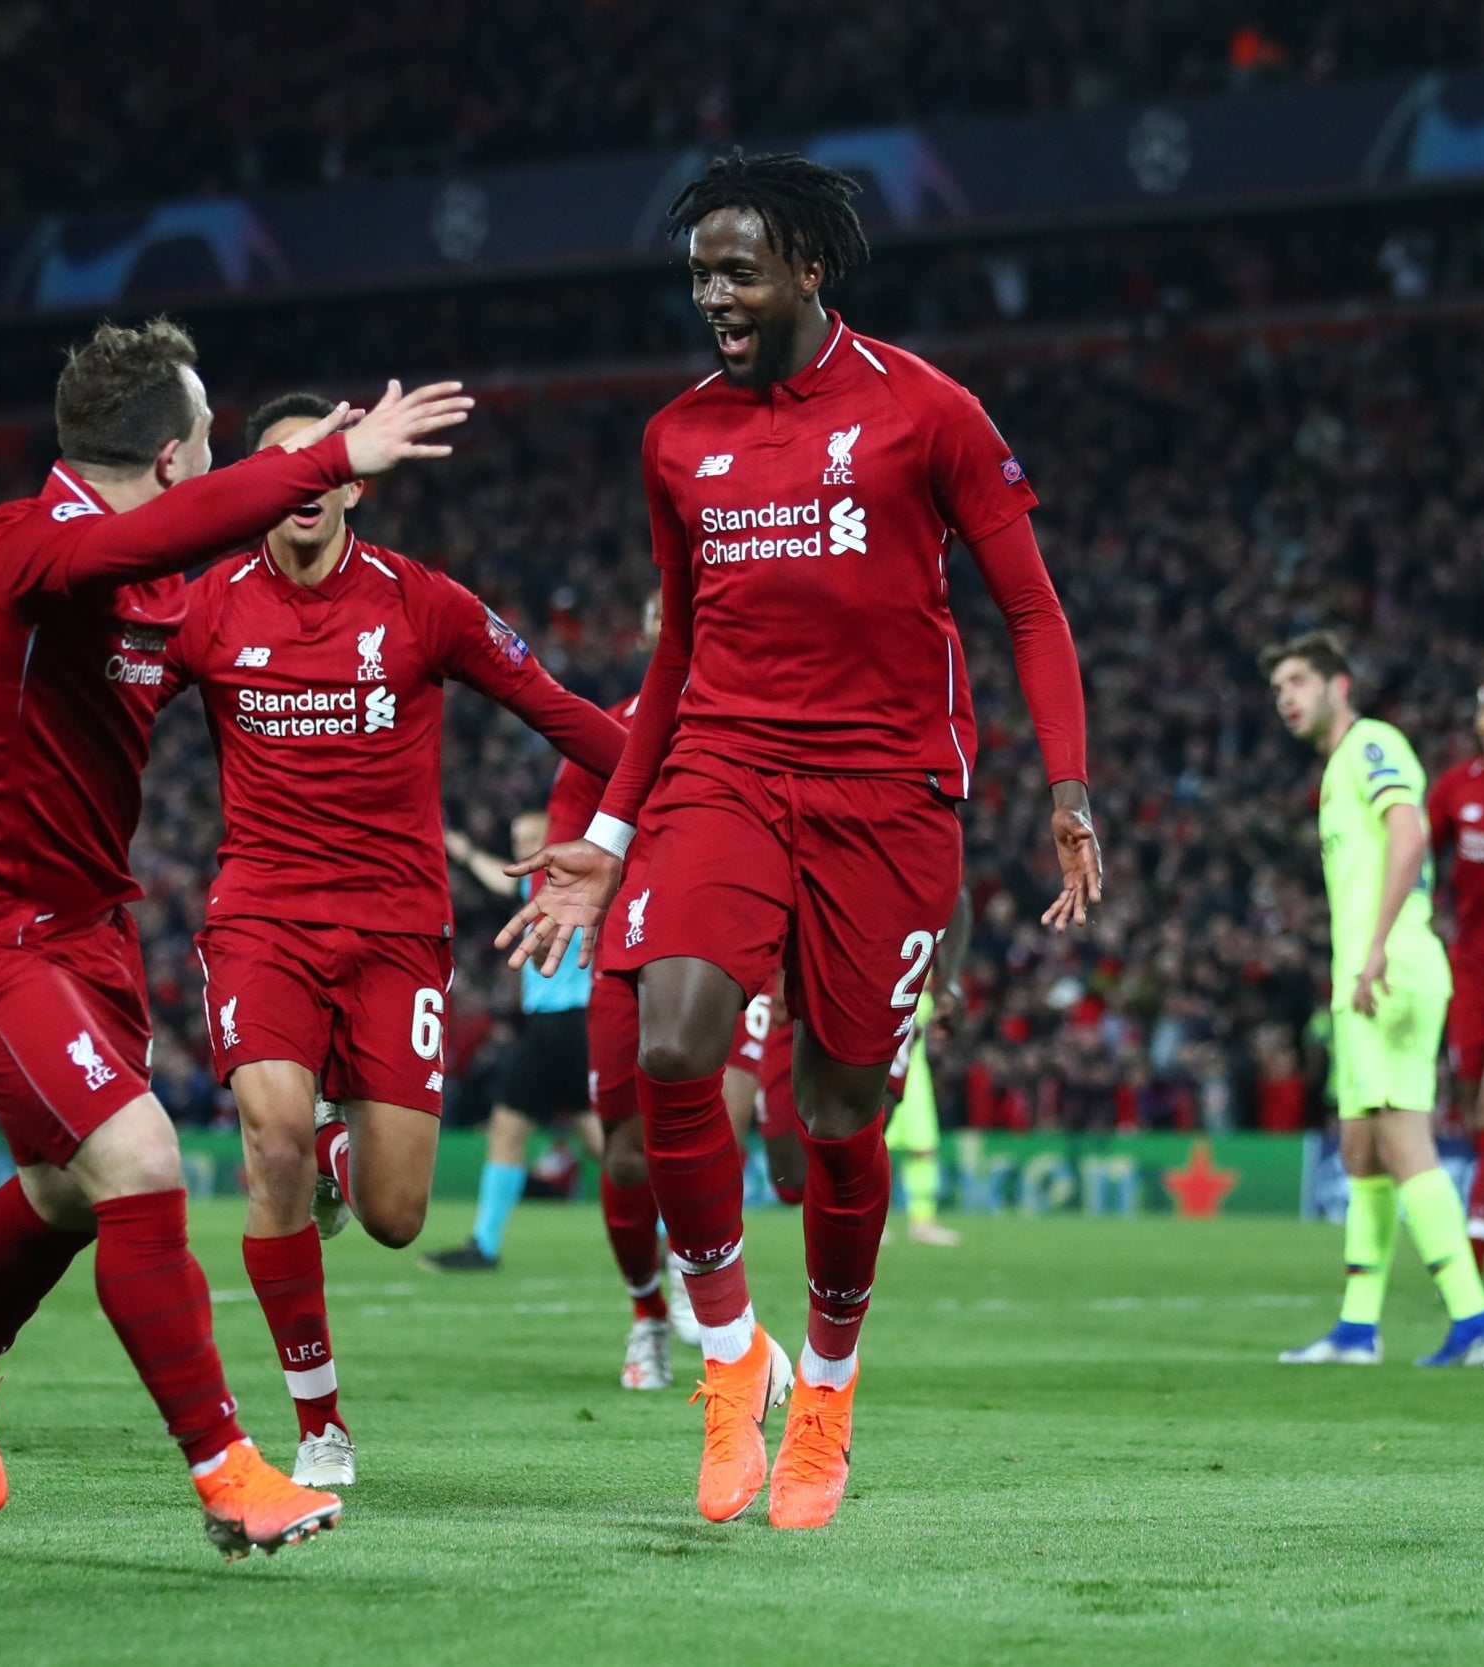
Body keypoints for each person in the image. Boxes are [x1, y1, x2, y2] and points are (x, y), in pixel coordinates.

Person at [0, 320, 471, 1556]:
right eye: (209, 438)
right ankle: (227, 1470)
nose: (217, 458)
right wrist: (330, 457)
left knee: (59, 1188)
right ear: (171, 457)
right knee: (141, 1160)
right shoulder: (25, 538)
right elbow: (136, 548)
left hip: (85, 925)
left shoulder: (135, 568)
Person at [499, 150, 1098, 1531]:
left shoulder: (923, 412)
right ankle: (727, 1361)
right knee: (669, 1042)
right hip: (721, 766)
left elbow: (1029, 609)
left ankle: (823, 1385)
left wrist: (1064, 788)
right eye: (700, 270)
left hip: (887, 794)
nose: (713, 293)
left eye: (738, 269)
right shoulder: (675, 438)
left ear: (808, 270)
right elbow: (679, 653)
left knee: (832, 1114)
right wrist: (607, 827)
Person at [160, 390, 625, 1483]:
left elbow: (558, 709)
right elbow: (103, 731)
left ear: (353, 482)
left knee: (395, 1214)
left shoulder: (423, 604)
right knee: (267, 1140)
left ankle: (338, 1148)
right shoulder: (207, 608)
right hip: (261, 914)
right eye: (281, 466)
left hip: (396, 927)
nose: (304, 484)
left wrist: (682, 784)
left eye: (324, 464)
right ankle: (318, 1421)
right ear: (252, 488)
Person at [1266, 634, 1484, 1367]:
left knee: (1402, 1138)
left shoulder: (1373, 745)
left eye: (1301, 680)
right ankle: (1357, 1328)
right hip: (1366, 974)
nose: (1288, 697)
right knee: (1360, 1146)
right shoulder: (1341, 764)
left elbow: (1408, 832)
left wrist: (1374, 947)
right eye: (1279, 687)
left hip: (1390, 969)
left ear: (1341, 684)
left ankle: (1475, 1324)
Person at [432, 809, 607, 1278]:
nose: (521, 848)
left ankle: (485, 1244)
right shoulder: (543, 887)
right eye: (516, 838)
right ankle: (670, 1229)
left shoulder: (567, 886)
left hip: (560, 1024)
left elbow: (506, 882)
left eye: (531, 837)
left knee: (510, 1127)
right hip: (561, 1027)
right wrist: (467, 852)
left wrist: (468, 854)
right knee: (602, 1143)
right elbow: (503, 878)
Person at [1427, 674, 1484, 1272]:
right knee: (1475, 1104)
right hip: (1469, 969)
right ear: (1478, 722)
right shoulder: (1457, 788)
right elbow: (1414, 856)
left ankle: (1474, 1254)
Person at [885, 891, 971, 1248]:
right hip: (885, 1046)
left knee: (922, 1142)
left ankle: (922, 1219)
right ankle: (874, 1221)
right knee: (875, 1141)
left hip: (914, 1055)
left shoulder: (921, 930)